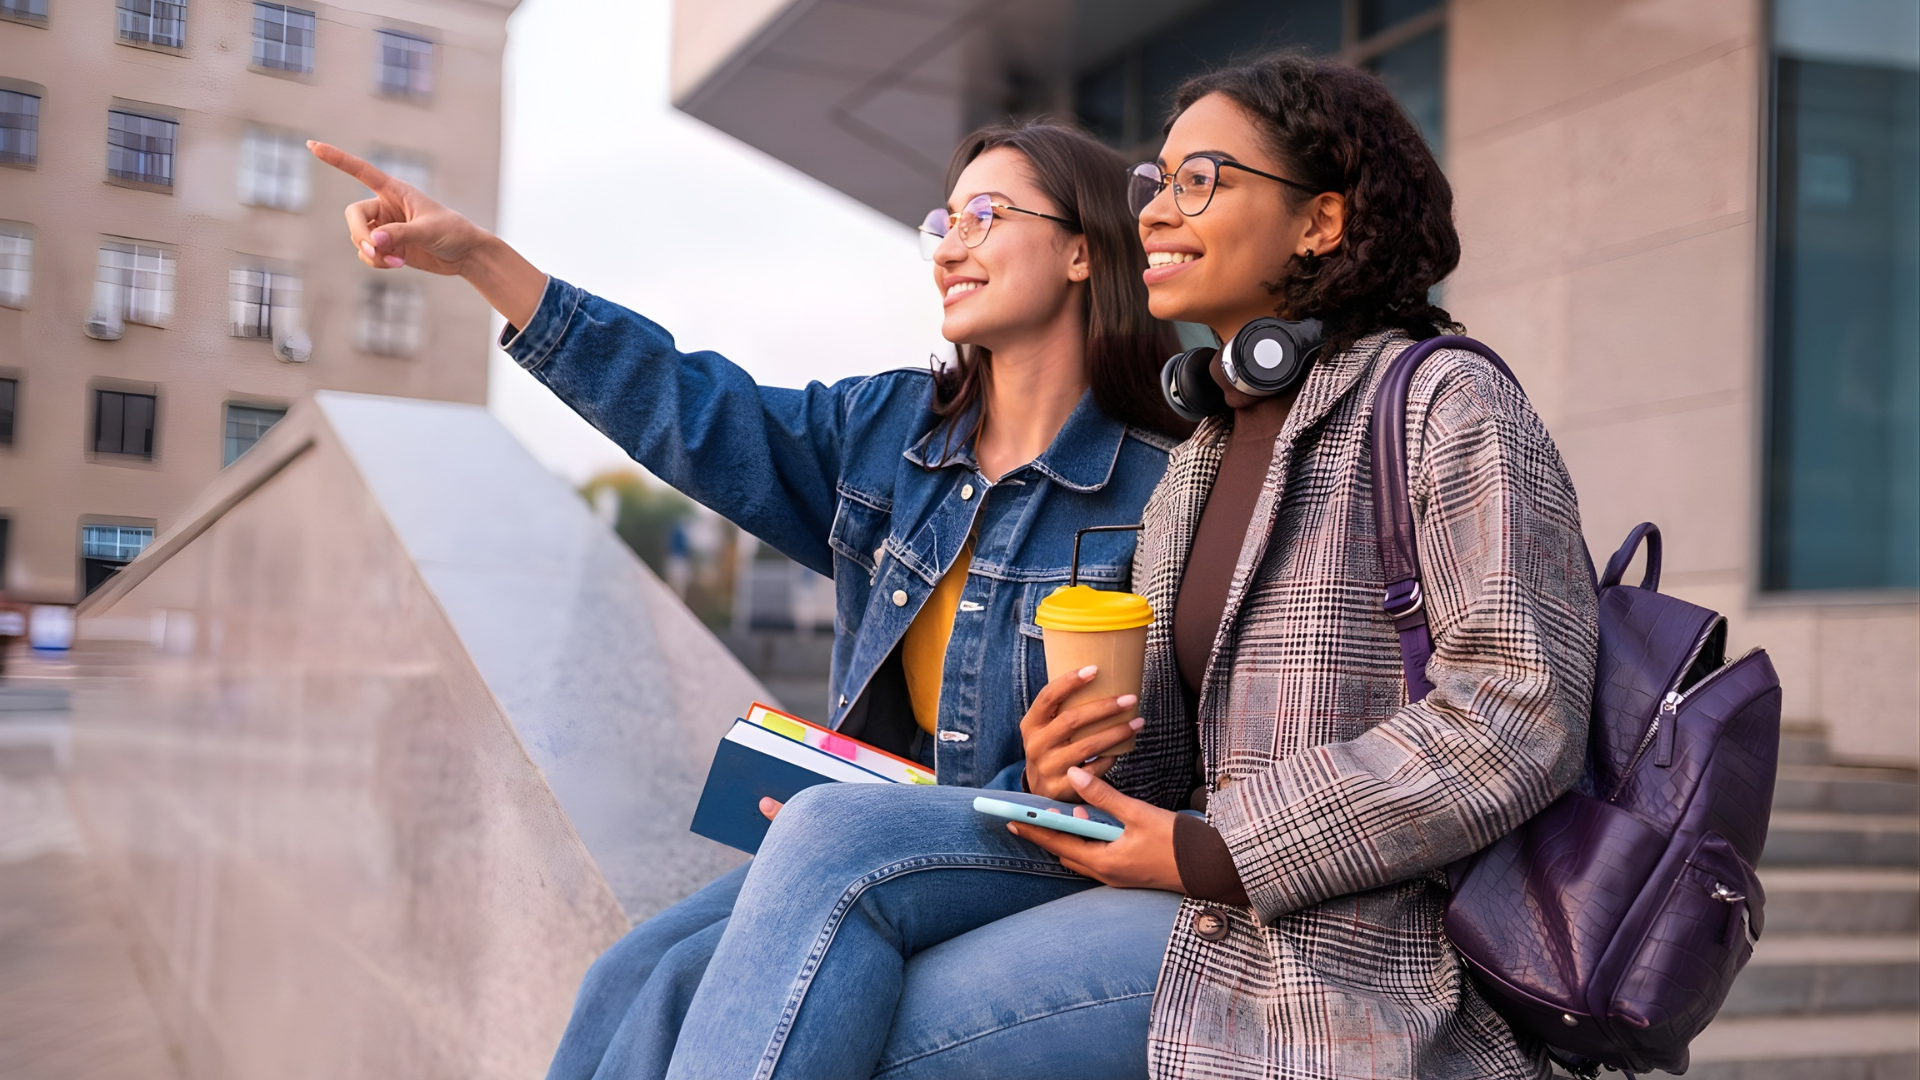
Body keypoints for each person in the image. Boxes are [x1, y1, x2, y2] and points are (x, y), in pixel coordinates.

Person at [653, 53, 1601, 1080]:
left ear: (1320, 221)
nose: (1152, 213)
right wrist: (1072, 759)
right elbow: (1168, 755)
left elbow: (1516, 713)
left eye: (1200, 180)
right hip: (1189, 905)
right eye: (1154, 184)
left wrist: (1221, 849)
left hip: (1339, 951)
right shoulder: (1201, 457)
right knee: (817, 860)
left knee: (854, 1013)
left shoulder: (1445, 402)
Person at [310, 121, 1189, 1079]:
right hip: (892, 821)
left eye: (986, 215)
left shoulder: (1165, 483)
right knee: (636, 973)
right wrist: (481, 258)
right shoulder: (889, 433)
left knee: (790, 886)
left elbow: (1193, 732)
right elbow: (692, 410)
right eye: (945, 220)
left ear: (1080, 250)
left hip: (1050, 831)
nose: (948, 246)